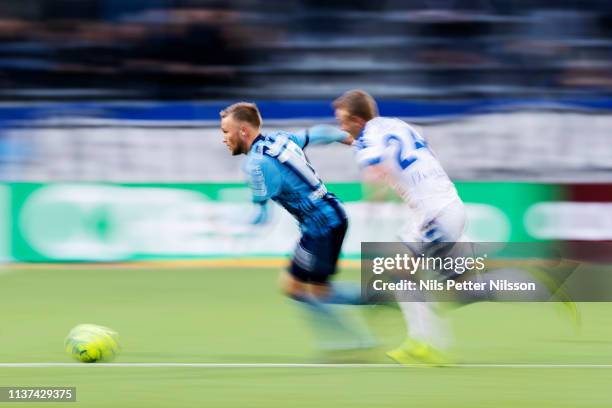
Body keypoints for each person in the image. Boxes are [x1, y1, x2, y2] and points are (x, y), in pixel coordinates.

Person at [219, 102, 374, 351]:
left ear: (244, 131)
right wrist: (351, 140)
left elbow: (261, 217)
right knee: (314, 289)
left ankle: (360, 336)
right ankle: (362, 331)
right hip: (331, 214)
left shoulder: (256, 164)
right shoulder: (280, 139)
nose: (224, 138)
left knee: (299, 288)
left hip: (321, 224)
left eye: (226, 131)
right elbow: (319, 133)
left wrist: (228, 225)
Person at [332, 89, 467, 364]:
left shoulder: (369, 137)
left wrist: (375, 199)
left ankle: (426, 341)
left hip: (435, 212)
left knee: (458, 287)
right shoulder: (394, 125)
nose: (341, 126)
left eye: (343, 121)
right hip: (438, 208)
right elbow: (367, 144)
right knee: (404, 272)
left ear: (358, 120)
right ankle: (423, 342)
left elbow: (376, 167)